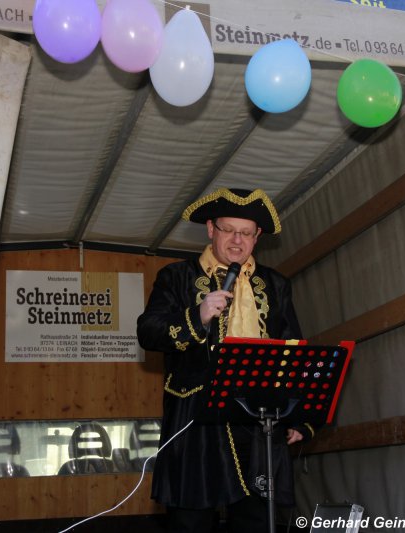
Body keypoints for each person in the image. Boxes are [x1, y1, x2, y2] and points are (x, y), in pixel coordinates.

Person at [137, 188, 315, 532]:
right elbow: (148, 332)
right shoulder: (177, 277)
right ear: (210, 229)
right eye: (228, 230)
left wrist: (299, 417)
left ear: (257, 236)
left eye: (246, 233)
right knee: (191, 521)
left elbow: (293, 350)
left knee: (258, 521)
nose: (237, 240)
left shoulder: (276, 284)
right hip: (197, 422)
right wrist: (198, 316)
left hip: (259, 422)